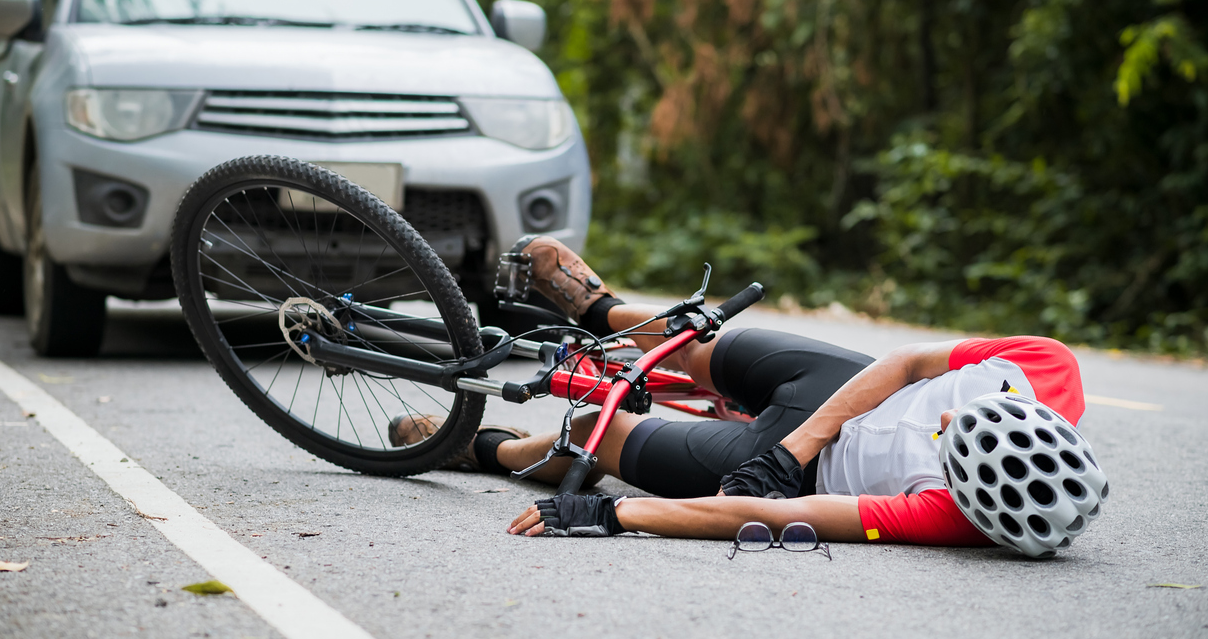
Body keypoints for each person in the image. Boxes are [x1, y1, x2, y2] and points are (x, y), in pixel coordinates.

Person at [393, 236, 1104, 553]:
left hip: (795, 472)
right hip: (845, 391)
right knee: (700, 347)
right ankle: (599, 308)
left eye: (949, 446)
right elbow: (910, 361)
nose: (941, 421)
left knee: (599, 439)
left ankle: (477, 447)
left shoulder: (953, 515)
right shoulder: (1048, 366)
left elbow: (765, 510)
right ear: (1020, 405)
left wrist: (615, 516)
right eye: (963, 416)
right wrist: (798, 441)